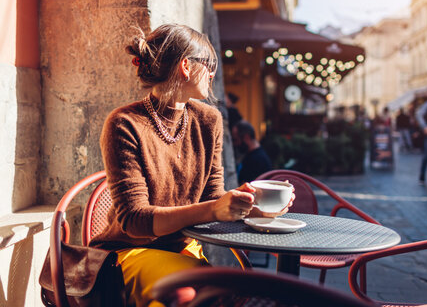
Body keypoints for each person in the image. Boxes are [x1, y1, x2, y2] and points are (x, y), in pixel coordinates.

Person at [90, 24, 294, 307]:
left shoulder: (209, 121)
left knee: (224, 290)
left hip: (185, 250)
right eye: (209, 64)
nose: (213, 73)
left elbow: (213, 198)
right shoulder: (125, 123)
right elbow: (135, 221)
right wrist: (213, 208)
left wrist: (255, 208)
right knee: (192, 294)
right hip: (130, 251)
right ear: (186, 66)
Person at [232, 120, 273, 184]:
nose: (234, 144)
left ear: (246, 137)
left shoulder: (258, 160)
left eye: (235, 140)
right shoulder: (252, 155)